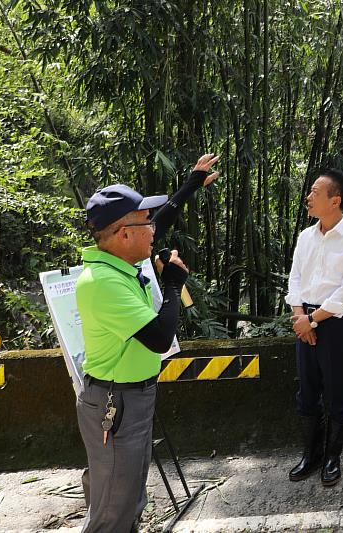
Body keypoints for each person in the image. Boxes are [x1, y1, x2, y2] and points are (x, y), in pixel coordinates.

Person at [75, 154, 219, 532]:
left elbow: (160, 219)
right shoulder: (103, 282)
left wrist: (191, 184)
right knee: (113, 509)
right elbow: (158, 337)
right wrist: (172, 284)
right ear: (124, 233)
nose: (153, 230)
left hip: (132, 397)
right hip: (115, 401)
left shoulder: (122, 259)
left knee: (129, 498)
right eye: (144, 223)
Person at [284, 168, 343, 487]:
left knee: (336, 392)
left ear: (335, 200)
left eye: (315, 193)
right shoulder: (306, 237)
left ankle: (333, 457)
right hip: (303, 321)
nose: (308, 197)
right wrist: (299, 317)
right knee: (307, 391)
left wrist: (313, 319)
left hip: (337, 323)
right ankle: (312, 454)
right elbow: (294, 278)